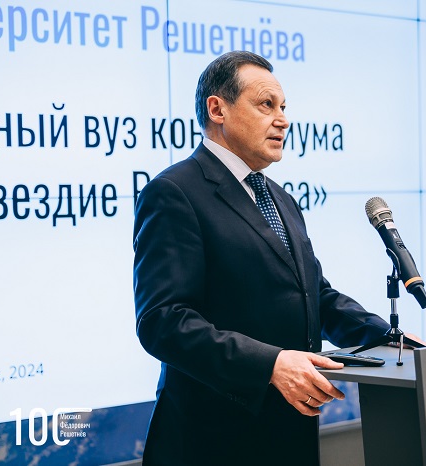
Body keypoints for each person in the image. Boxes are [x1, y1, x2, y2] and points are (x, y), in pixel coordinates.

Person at [132, 51, 392, 465]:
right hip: (212, 441)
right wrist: (269, 364)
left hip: (289, 432)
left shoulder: (281, 199)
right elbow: (163, 321)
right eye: (266, 105)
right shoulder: (174, 192)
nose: (282, 120)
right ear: (217, 109)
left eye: (284, 107)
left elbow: (315, 297)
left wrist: (387, 338)